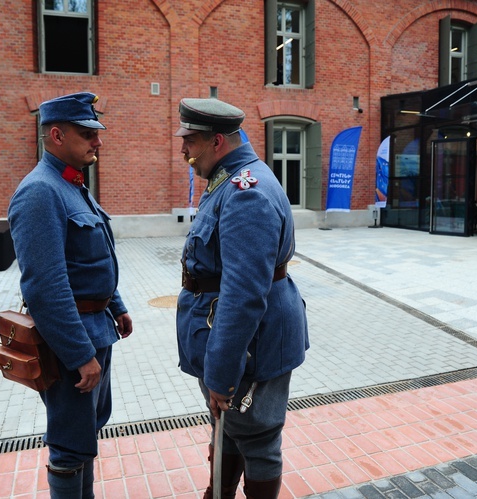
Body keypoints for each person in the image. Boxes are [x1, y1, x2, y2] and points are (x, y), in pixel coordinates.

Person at [175, 97, 309, 499]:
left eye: (190, 141)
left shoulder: (245, 191)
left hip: (249, 343)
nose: (183, 150)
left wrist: (221, 374)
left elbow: (243, 295)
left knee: (257, 437)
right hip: (238, 339)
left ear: (217, 142)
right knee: (231, 428)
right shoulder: (228, 180)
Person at [8, 92, 133, 498]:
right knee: (68, 445)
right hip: (72, 342)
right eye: (87, 133)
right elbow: (45, 287)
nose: (97, 141)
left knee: (85, 436)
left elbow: (91, 258)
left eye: (96, 132)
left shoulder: (71, 184)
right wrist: (80, 355)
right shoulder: (40, 192)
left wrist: (117, 307)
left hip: (97, 329)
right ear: (56, 135)